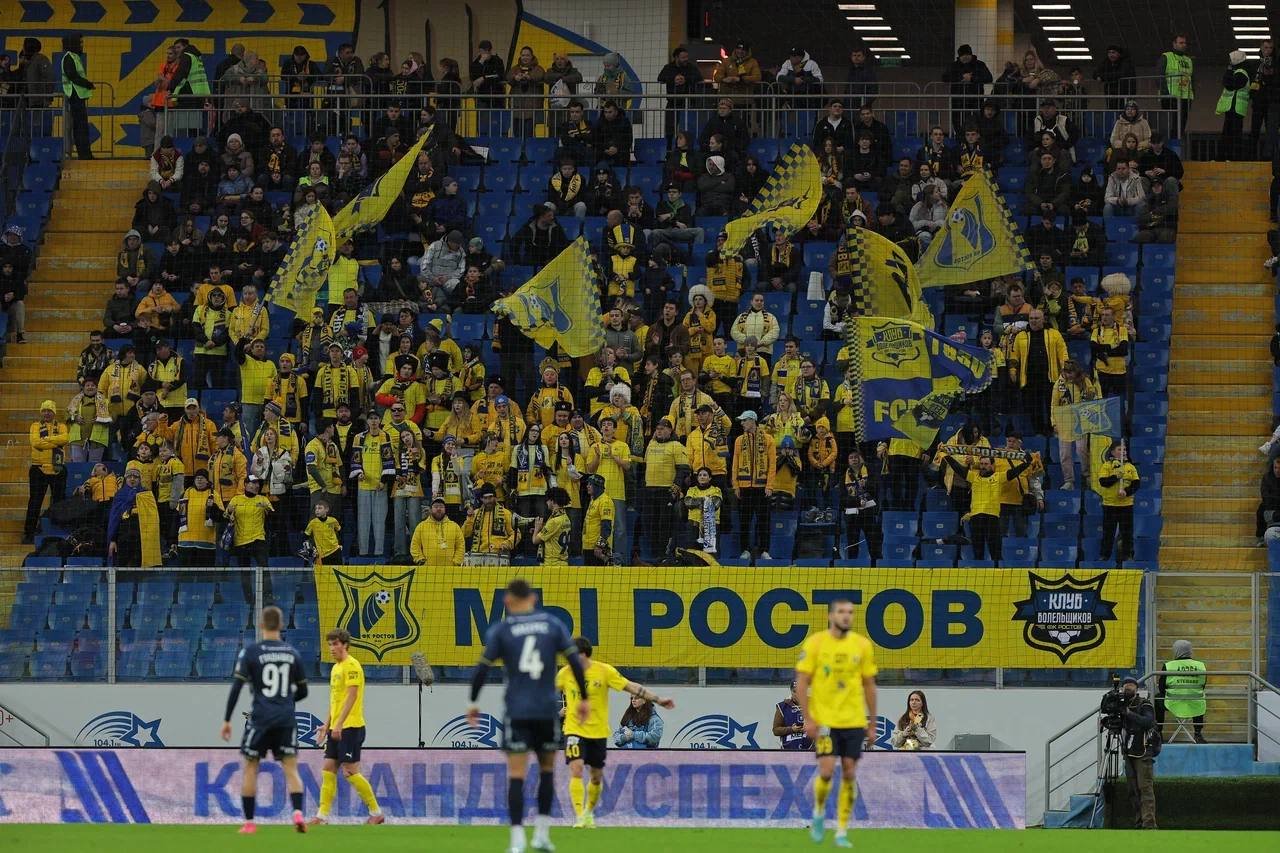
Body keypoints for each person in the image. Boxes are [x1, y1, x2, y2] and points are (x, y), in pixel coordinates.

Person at [468, 579, 588, 853]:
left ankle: (517, 840)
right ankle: (542, 835)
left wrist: (472, 703)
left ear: (507, 601)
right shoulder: (552, 624)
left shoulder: (502, 630)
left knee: (516, 776)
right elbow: (574, 662)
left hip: (517, 711)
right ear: (533, 599)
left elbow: (482, 668)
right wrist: (584, 698)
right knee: (547, 771)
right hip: (547, 711)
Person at [556, 636, 674, 828]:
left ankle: (588, 812)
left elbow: (631, 686)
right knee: (576, 769)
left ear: (584, 655)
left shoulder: (604, 671)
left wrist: (657, 699)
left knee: (596, 776)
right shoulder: (565, 673)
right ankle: (579, 816)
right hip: (574, 729)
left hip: (597, 732)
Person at [795, 598, 878, 849]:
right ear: (831, 616)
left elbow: (869, 685)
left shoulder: (862, 645)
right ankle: (819, 811)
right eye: (841, 612)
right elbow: (802, 682)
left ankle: (841, 830)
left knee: (850, 772)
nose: (846, 616)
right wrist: (808, 718)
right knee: (827, 771)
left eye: (850, 612)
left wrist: (872, 723)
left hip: (853, 720)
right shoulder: (816, 643)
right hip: (826, 721)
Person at [220, 606, 308, 835]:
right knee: (291, 768)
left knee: (251, 767)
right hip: (286, 719)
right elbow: (303, 691)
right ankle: (298, 813)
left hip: (260, 718)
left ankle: (250, 822)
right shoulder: (292, 653)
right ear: (281, 625)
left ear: (261, 625)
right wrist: (285, 701)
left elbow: (237, 687)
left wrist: (227, 719)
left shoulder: (251, 652)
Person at [310, 629, 384, 825]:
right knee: (328, 768)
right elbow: (335, 700)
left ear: (345, 645)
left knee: (350, 771)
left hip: (351, 727)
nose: (332, 648)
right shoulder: (336, 668)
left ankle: (376, 812)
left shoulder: (352, 665)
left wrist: (339, 724)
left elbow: (352, 696)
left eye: (335, 644)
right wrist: (327, 724)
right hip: (337, 727)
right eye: (330, 644)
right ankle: (321, 816)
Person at [1115, 676, 1160, 829]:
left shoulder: (1144, 704)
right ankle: (1138, 822)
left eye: (1131, 685)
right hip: (1128, 751)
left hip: (1143, 750)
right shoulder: (1122, 705)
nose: (1128, 687)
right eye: (1125, 685)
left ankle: (1149, 823)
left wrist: (1128, 713)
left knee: (1145, 788)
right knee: (1132, 790)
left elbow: (1148, 722)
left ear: (1137, 688)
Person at [24, 400, 69, 543]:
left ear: (54, 413)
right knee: (35, 502)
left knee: (59, 502)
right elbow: (35, 442)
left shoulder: (62, 426)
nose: (46, 413)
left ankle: (57, 533)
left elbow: (65, 439)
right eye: (44, 410)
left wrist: (47, 439)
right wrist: (55, 442)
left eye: (49, 411)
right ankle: (29, 533)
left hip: (58, 468)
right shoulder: (35, 426)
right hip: (38, 468)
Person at [733, 410, 775, 560]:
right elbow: (735, 464)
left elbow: (772, 464)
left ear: (752, 421)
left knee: (764, 521)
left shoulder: (768, 439)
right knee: (744, 521)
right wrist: (735, 486)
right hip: (744, 487)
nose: (742, 423)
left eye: (744, 420)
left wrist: (769, 485)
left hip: (762, 488)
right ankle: (745, 550)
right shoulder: (739, 440)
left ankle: (764, 550)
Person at [1155, 639, 1207, 744]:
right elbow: (1202, 685)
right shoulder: (1200, 665)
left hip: (1173, 704)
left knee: (1157, 698)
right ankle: (1198, 733)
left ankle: (1158, 733)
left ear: (1176, 651)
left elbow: (1161, 687)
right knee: (1199, 698)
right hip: (1194, 704)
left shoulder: (1169, 666)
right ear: (1190, 651)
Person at [1097, 442, 1141, 563]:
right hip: (1110, 505)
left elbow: (1136, 484)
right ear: (1112, 452)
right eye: (1120, 449)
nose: (1123, 452)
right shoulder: (1107, 466)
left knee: (1127, 532)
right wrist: (1116, 476)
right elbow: (1103, 482)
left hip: (1126, 506)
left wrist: (1126, 492)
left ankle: (1127, 555)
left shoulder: (1130, 467)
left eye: (1124, 450)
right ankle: (1105, 556)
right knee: (1108, 532)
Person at [60, 35, 95, 160]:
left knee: (82, 126)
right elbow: (72, 76)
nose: (81, 45)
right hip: (75, 95)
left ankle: (86, 153)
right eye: (80, 43)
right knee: (80, 127)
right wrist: (87, 84)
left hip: (79, 96)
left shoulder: (74, 57)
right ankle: (84, 154)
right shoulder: (69, 57)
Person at [410, 495, 465, 567]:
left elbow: (460, 545)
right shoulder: (421, 526)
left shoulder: (455, 526)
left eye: (441, 507)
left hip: (450, 570)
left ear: (445, 509)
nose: (438, 509)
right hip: (427, 570)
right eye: (435, 506)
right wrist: (420, 560)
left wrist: (456, 562)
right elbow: (415, 545)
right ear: (430, 509)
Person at [1218, 50, 1251, 161]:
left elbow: (1228, 84)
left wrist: (1228, 70)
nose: (1229, 61)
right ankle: (1227, 157)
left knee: (1232, 134)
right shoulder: (1240, 72)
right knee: (1230, 133)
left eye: (1231, 59)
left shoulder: (1241, 73)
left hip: (1235, 107)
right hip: (1234, 108)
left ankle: (1231, 157)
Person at [1160, 34, 1194, 137]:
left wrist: (1193, 93)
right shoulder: (1166, 57)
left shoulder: (1188, 60)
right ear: (1174, 44)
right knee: (1171, 124)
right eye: (1181, 43)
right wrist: (1165, 93)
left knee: (1182, 124)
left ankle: (1177, 142)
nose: (1184, 45)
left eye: (1185, 43)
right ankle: (1170, 143)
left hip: (1185, 96)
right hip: (1171, 96)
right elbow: (1160, 76)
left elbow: (1192, 78)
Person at [773, 679, 813, 751]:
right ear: (791, 691)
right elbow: (775, 730)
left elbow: (823, 725)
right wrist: (791, 729)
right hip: (788, 749)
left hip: (810, 748)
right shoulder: (782, 707)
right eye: (794, 691)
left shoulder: (813, 705)